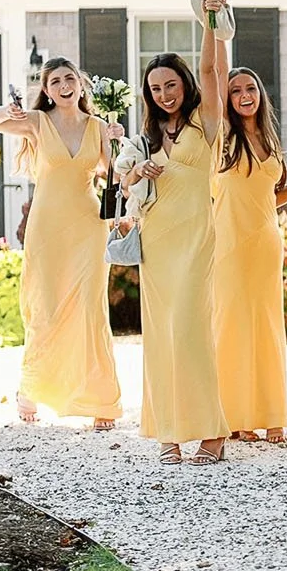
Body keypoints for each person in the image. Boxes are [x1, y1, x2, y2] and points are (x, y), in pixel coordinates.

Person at [0, 57, 120, 429]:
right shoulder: (37, 123)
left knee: (91, 308)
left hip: (89, 226)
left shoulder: (97, 126)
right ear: (46, 90)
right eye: (55, 80)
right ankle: (31, 389)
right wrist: (11, 110)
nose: (63, 85)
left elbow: (113, 174)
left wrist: (115, 141)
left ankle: (100, 398)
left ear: (80, 84)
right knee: (45, 305)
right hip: (47, 227)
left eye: (69, 78)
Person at [115, 43, 228, 464]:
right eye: (156, 88)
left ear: (185, 83)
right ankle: (170, 433)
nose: (164, 94)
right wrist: (137, 172)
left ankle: (211, 432)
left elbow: (214, 69)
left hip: (196, 237)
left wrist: (209, 18)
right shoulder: (146, 137)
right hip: (157, 240)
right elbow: (123, 183)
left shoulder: (205, 122)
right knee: (161, 334)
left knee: (190, 330)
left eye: (171, 84)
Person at [212, 63, 287, 443]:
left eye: (249, 88)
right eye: (235, 91)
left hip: (266, 241)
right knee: (232, 326)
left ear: (260, 93)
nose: (243, 96)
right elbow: (214, 77)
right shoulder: (221, 137)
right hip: (229, 242)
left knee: (267, 327)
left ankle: (271, 415)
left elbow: (273, 196)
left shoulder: (270, 140)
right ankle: (235, 417)